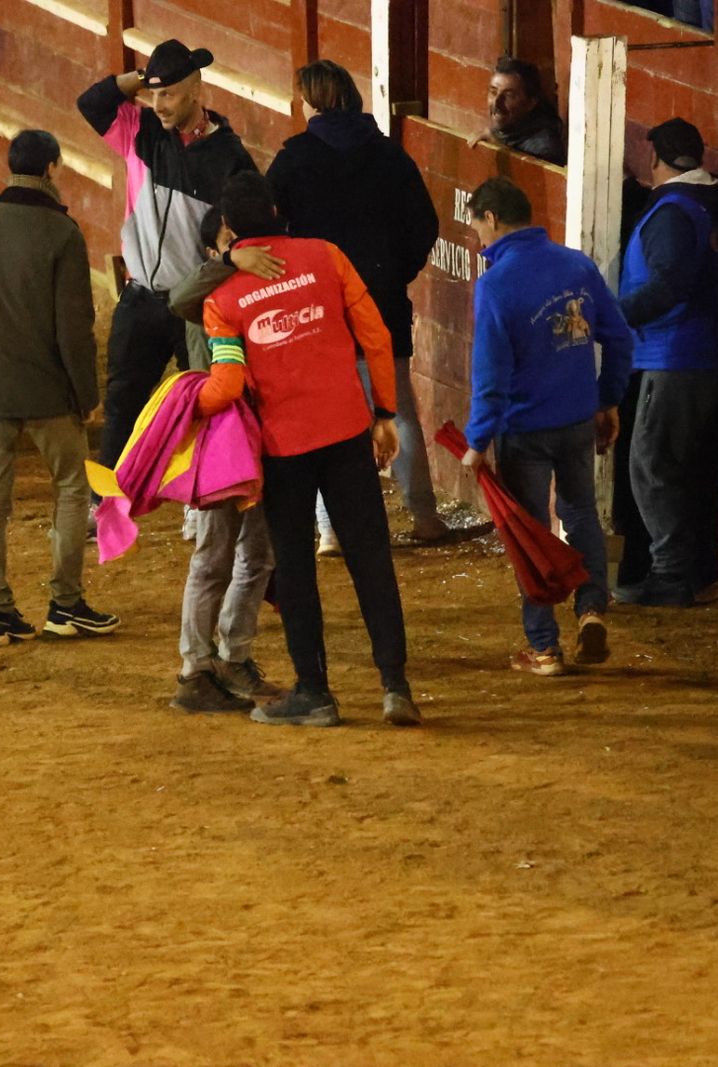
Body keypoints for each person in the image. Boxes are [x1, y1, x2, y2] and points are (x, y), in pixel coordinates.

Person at [199, 172, 420, 729]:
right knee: (371, 559)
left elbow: (225, 386)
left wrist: (182, 408)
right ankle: (395, 686)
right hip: (346, 432)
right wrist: (386, 414)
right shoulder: (327, 255)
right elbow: (377, 337)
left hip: (282, 448)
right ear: (275, 209)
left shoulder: (222, 301)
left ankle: (315, 693)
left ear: (227, 229)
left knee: (295, 567)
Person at [0, 130, 119, 646]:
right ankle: (65, 604)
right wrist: (87, 394)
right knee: (72, 490)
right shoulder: (62, 234)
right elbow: (72, 329)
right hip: (49, 389)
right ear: (52, 168)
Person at [265, 59, 447, 551]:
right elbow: (425, 224)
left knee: (326, 415)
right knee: (399, 409)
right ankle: (425, 516)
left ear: (313, 102)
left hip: (317, 309)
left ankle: (330, 530)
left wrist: (297, 283)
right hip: (382, 302)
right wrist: (392, 275)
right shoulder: (388, 155)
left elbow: (267, 228)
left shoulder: (294, 159)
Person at [461, 176, 634, 675]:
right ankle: (592, 609)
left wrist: (477, 440)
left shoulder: (495, 283)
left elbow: (490, 373)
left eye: (476, 225)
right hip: (577, 417)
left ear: (491, 218)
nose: (476, 236)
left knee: (529, 533)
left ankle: (544, 647)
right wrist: (607, 401)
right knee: (581, 515)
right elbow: (619, 338)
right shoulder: (576, 265)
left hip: (525, 428)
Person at [76, 38, 256, 476]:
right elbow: (92, 102)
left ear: (196, 89)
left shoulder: (230, 157)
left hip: (195, 305)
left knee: (204, 403)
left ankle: (203, 505)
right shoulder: (143, 131)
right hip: (139, 297)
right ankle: (107, 504)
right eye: (152, 94)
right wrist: (150, 74)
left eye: (169, 93)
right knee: (122, 405)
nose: (158, 104)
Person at [165, 207, 282, 713]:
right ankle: (195, 668)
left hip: (264, 440)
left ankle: (233, 656)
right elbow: (178, 297)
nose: (248, 248)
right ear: (215, 250)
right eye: (233, 241)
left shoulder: (256, 291)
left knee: (258, 555)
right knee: (215, 557)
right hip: (222, 444)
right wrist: (234, 259)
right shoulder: (207, 296)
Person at [615, 117, 718, 607]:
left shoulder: (673, 212)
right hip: (691, 353)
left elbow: (668, 286)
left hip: (675, 353)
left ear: (657, 161)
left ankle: (672, 574)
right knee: (668, 465)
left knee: (652, 463)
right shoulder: (702, 205)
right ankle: (686, 569)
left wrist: (613, 317)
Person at [471, 56, 565, 165]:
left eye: (509, 96)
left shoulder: (544, 147)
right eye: (493, 92)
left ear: (530, 103)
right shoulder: (505, 128)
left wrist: (499, 147)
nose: (496, 103)